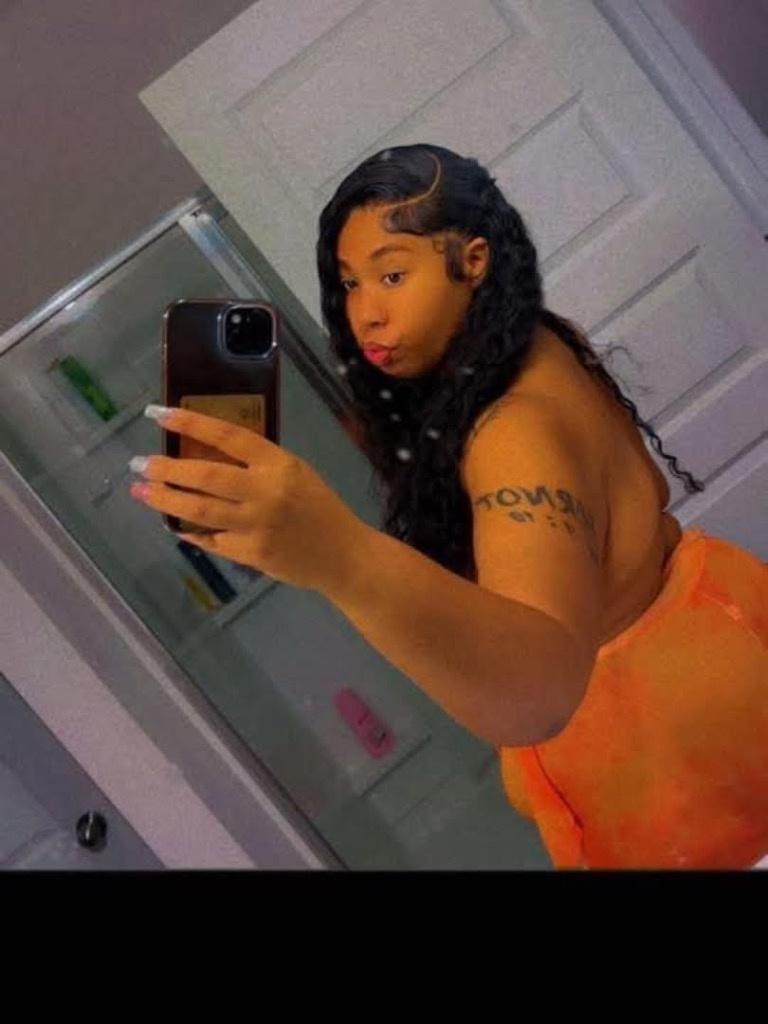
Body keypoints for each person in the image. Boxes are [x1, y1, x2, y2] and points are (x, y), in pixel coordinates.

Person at [315, 143, 768, 870]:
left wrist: (331, 555)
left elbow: (535, 684)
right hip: (710, 630)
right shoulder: (539, 340)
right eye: (350, 285)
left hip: (665, 737)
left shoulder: (510, 436)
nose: (366, 313)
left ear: (473, 261)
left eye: (393, 275)